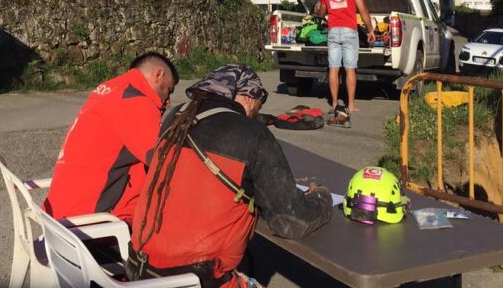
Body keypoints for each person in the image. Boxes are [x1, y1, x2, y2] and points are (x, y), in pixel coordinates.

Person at [126, 64, 332, 288]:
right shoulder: (252, 135)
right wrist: (321, 198)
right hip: (197, 279)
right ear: (248, 97)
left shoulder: (177, 117)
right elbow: (291, 222)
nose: (255, 112)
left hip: (140, 269)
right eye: (258, 103)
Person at [42, 52, 178, 226]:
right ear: (159, 75)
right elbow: (165, 160)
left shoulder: (111, 88)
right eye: (168, 90)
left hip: (58, 211)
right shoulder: (135, 100)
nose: (167, 102)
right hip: (89, 222)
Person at [315, 0, 375, 121]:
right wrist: (370, 30)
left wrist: (319, 8)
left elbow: (321, 13)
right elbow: (363, 11)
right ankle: (351, 104)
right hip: (350, 31)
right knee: (350, 69)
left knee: (333, 68)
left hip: (333, 31)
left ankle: (334, 103)